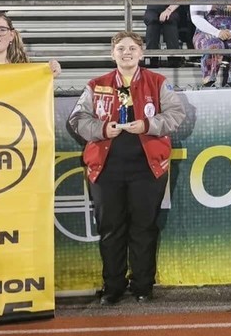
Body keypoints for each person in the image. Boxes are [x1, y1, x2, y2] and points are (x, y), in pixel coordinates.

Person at [67, 31, 186, 305]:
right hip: (105, 168)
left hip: (147, 167)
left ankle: (143, 285)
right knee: (110, 228)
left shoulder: (158, 82)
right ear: (113, 54)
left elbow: (176, 114)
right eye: (121, 49)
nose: (127, 53)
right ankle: (113, 286)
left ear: (142, 53)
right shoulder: (96, 85)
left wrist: (148, 125)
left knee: (144, 227)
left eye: (132, 48)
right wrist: (101, 129)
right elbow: (77, 119)